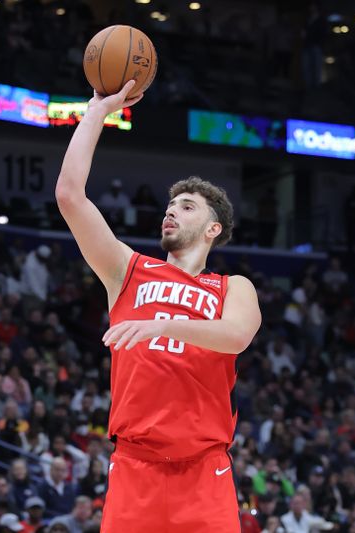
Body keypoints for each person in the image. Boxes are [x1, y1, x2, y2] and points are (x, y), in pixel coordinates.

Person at [55, 80, 261, 532]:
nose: (171, 212)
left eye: (186, 207)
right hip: (135, 467)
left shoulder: (233, 286)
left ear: (213, 229)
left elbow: (237, 336)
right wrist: (97, 111)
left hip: (205, 472)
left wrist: (162, 326)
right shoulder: (127, 270)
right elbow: (70, 196)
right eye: (170, 206)